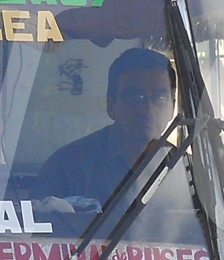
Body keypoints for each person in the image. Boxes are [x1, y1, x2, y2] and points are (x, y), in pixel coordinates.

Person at [35, 47, 180, 212]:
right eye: (134, 97)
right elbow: (38, 231)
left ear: (173, 106)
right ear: (111, 105)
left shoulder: (185, 170)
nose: (147, 109)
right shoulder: (66, 167)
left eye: (159, 97)